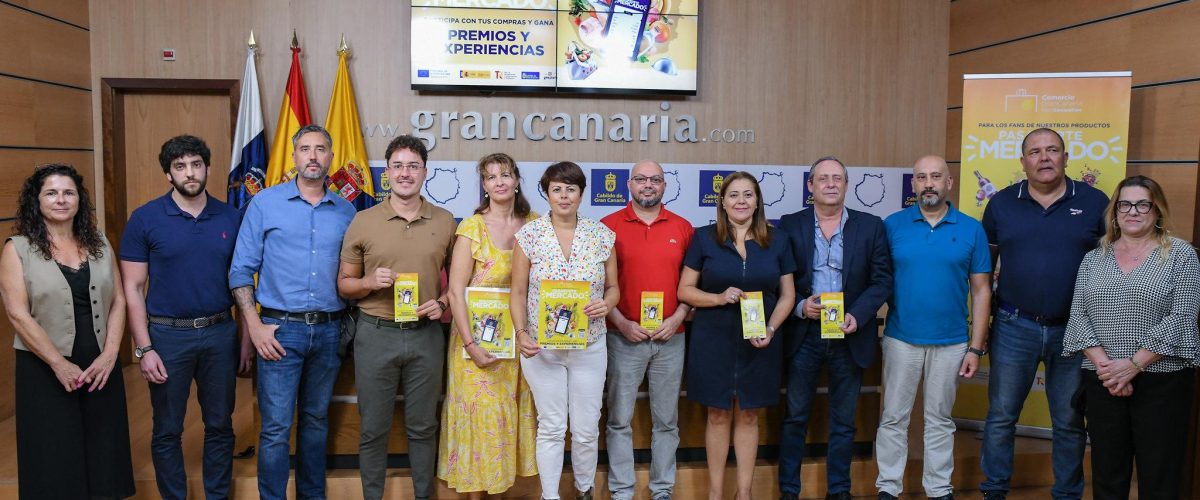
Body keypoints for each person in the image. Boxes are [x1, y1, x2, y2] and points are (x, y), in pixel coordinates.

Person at [229, 124, 356, 500]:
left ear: (331, 158)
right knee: (275, 429)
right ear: (294, 156)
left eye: (320, 149)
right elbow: (240, 270)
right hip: (279, 331)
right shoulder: (265, 203)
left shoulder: (347, 211)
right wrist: (255, 327)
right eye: (305, 149)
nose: (313, 156)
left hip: (331, 330)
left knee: (316, 423)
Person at [979, 128, 1107, 500]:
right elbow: (984, 273)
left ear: (1066, 157)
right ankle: (994, 490)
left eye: (1053, 150)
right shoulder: (1001, 203)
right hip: (1013, 324)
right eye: (1035, 152)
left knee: (1068, 420)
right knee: (1002, 416)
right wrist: (982, 327)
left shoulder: (1095, 201)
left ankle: (1067, 494)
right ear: (1023, 162)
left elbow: (1113, 263)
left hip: (1075, 329)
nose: (1045, 157)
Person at [120, 135, 249, 500]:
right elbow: (132, 288)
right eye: (180, 166)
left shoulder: (231, 217)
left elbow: (244, 282)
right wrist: (144, 350)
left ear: (207, 168)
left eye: (196, 164)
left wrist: (246, 338)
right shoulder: (145, 219)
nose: (189, 173)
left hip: (220, 332)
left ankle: (217, 495)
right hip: (166, 336)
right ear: (168, 174)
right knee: (167, 429)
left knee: (220, 425)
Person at [0, 163, 135, 499]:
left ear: (79, 199)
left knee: (106, 450)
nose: (61, 199)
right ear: (37, 200)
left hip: (99, 364)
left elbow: (119, 300)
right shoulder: (16, 248)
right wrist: (58, 364)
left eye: (68, 192)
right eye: (51, 193)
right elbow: (17, 314)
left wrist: (109, 355)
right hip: (43, 367)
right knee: (53, 453)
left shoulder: (100, 242)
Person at [1063, 175, 1199, 500]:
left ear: (1157, 210)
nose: (1133, 211)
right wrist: (1109, 369)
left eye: (1142, 204)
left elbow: (1182, 317)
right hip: (1103, 380)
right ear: (1115, 210)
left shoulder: (1181, 255)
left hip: (1162, 382)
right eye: (1125, 204)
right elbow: (1079, 315)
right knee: (1108, 474)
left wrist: (1133, 365)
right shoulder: (1094, 258)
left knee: (1159, 474)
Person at [337, 135, 457, 500]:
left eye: (413, 166)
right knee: (373, 428)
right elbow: (344, 284)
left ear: (425, 172)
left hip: (426, 336)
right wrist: (369, 282)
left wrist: (443, 302)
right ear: (387, 172)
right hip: (375, 334)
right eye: (398, 166)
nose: (406, 173)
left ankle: (424, 496)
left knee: (423, 426)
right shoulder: (363, 220)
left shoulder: (446, 220)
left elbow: (461, 283)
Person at [875, 156, 992, 500]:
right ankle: (888, 488)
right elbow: (878, 280)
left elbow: (982, 289)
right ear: (913, 184)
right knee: (894, 417)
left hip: (952, 343)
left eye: (936, 176)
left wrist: (975, 347)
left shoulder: (972, 228)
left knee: (940, 420)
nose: (929, 183)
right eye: (921, 177)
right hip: (900, 339)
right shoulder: (892, 225)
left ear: (949, 182)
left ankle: (939, 490)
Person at [777, 156, 892, 500]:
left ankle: (839, 491)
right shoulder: (790, 224)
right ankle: (789, 491)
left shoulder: (871, 226)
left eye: (837, 178)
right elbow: (777, 277)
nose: (830, 183)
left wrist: (857, 314)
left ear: (846, 184)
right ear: (810, 186)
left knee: (844, 421)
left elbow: (882, 280)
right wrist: (799, 306)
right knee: (796, 416)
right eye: (822, 178)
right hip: (804, 334)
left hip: (849, 333)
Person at [678, 171, 796, 500]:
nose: (741, 201)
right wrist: (718, 298)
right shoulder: (704, 238)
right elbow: (684, 290)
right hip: (713, 338)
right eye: (733, 195)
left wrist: (771, 328)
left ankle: (744, 493)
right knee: (717, 413)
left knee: (748, 413)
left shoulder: (778, 239)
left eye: (747, 195)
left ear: (757, 201)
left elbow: (788, 294)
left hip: (761, 340)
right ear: (723, 202)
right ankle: (716, 493)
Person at [510, 161, 619, 500]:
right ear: (546, 192)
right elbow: (517, 291)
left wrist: (608, 304)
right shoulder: (529, 236)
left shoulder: (601, 235)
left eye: (571, 189)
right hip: (542, 349)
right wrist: (520, 332)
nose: (564, 195)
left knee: (586, 429)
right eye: (557, 188)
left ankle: (585, 490)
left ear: (582, 194)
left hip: (589, 346)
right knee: (552, 427)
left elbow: (614, 288)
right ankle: (550, 495)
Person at [437, 153, 539, 498]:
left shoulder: (535, 224)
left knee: (505, 420)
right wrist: (470, 344)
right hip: (474, 344)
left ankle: (501, 492)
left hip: (517, 342)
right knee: (481, 419)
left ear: (517, 179)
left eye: (505, 175)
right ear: (483, 185)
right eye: (491, 177)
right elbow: (454, 291)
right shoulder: (471, 227)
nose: (499, 182)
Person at [601, 160, 694, 500]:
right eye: (641, 179)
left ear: (665, 186)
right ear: (628, 184)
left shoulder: (684, 228)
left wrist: (679, 317)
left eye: (655, 180)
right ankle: (622, 491)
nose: (648, 185)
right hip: (622, 336)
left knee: (666, 421)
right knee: (619, 419)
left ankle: (662, 490)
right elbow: (598, 287)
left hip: (672, 338)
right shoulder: (607, 227)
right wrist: (622, 323)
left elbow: (693, 284)